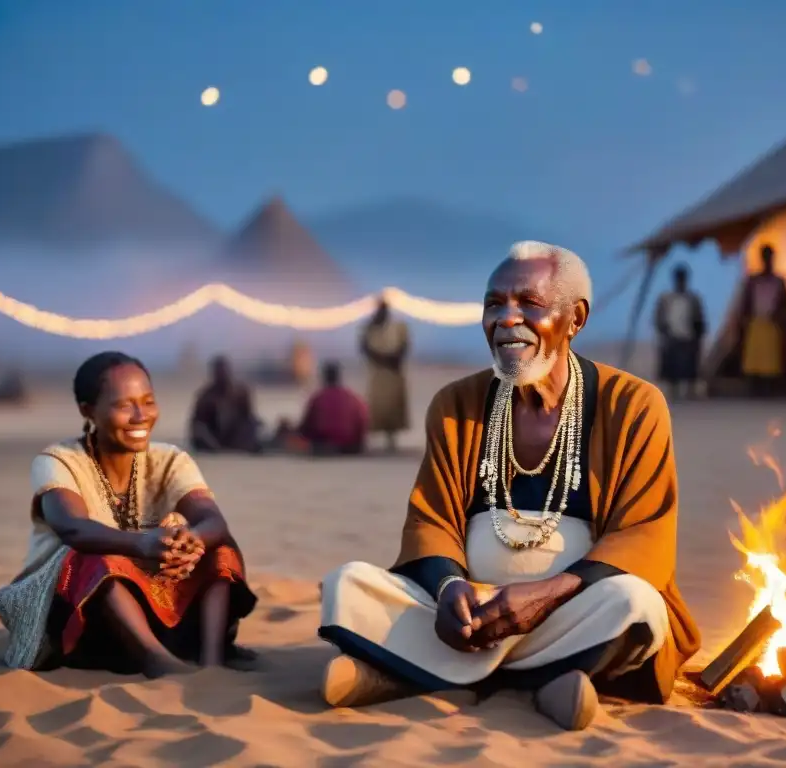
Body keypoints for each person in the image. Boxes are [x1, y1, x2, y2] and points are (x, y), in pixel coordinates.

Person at [319, 241, 700, 731]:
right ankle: (549, 681)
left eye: (529, 304)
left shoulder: (633, 404)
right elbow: (431, 519)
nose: (506, 319)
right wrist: (449, 586)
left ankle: (401, 676)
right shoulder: (457, 403)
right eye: (494, 304)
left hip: (572, 609)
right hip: (470, 615)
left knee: (635, 605)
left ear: (575, 318)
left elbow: (646, 534)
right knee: (346, 585)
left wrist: (547, 594)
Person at [0, 352, 258, 676]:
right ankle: (155, 661)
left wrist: (190, 540)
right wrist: (143, 544)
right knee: (93, 555)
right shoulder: (59, 460)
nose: (140, 416)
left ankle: (211, 660)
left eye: (147, 402)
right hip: (78, 617)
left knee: (219, 548)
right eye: (123, 405)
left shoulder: (171, 460)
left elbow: (213, 520)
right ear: (88, 411)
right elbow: (71, 528)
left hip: (152, 611)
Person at [275, 361, 368, 455]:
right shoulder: (353, 397)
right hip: (350, 446)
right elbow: (362, 421)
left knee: (288, 437)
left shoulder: (318, 397)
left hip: (324, 445)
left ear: (324, 377)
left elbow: (307, 426)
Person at [738, 245, 786, 396]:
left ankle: (769, 389)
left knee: (771, 361)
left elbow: (785, 305)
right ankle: (754, 389)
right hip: (755, 324)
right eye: (765, 256)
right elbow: (745, 304)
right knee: (754, 359)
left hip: (772, 325)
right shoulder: (753, 280)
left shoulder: (779, 282)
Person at [360, 298, 410, 451]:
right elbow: (365, 348)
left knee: (393, 407)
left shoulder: (398, 328)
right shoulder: (370, 328)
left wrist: (392, 359)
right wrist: (382, 359)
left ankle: (391, 439)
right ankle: (377, 438)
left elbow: (404, 346)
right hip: (378, 373)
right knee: (378, 406)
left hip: (393, 372)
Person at [189, 356, 262, 453]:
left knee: (252, 423)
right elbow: (197, 424)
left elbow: (248, 416)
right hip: (213, 438)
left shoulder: (240, 392)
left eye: (224, 371)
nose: (222, 375)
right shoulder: (206, 396)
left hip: (235, 436)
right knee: (199, 430)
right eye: (218, 372)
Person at [653, 264, 706, 399]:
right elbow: (659, 318)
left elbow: (699, 319)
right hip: (672, 337)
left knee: (688, 365)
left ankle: (688, 391)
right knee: (672, 367)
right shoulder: (667, 299)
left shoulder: (692, 299)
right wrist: (663, 332)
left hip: (688, 337)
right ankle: (674, 391)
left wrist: (697, 335)